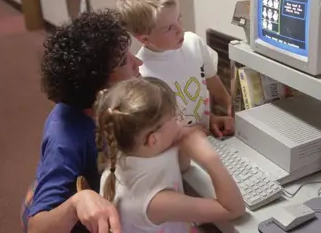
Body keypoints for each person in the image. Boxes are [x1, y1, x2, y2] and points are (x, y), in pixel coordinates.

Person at [21, 8, 143, 233]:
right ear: (98, 84)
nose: (139, 62)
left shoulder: (103, 104)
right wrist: (77, 202)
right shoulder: (65, 139)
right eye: (125, 62)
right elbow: (36, 227)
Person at [95, 77, 246, 233]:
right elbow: (233, 209)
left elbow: (183, 168)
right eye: (175, 116)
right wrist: (211, 160)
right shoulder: (155, 201)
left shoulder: (127, 153)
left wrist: (180, 141)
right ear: (153, 139)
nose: (181, 120)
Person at [116, 0, 234, 138]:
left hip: (206, 138)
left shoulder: (194, 44)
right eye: (169, 28)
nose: (181, 29)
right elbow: (156, 133)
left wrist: (225, 112)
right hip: (178, 149)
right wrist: (187, 134)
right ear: (144, 39)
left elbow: (214, 84)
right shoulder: (142, 75)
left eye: (179, 18)